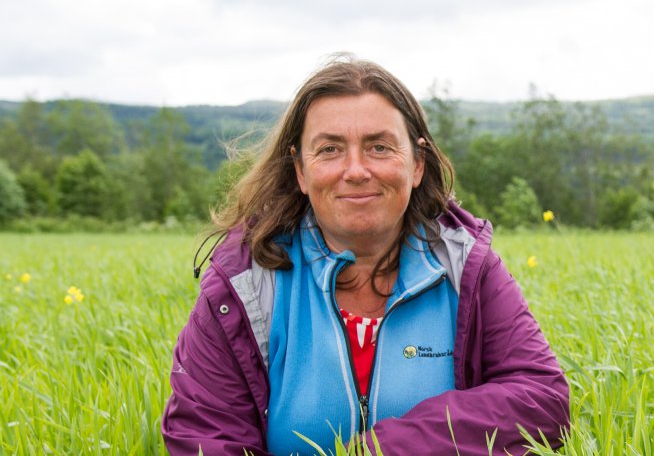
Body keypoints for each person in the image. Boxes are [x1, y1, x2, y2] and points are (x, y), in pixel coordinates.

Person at [162, 55, 570, 455]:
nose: (356, 170)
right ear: (301, 171)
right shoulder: (245, 287)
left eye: (379, 147)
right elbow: (206, 436)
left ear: (417, 165)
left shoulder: (466, 268)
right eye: (329, 150)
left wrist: (383, 449)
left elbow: (540, 399)